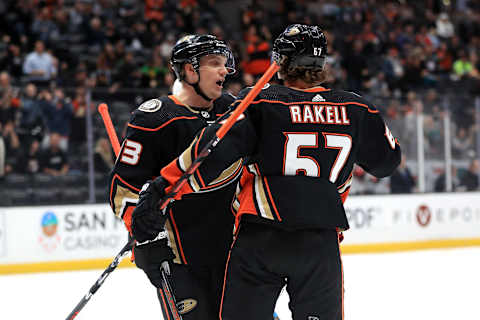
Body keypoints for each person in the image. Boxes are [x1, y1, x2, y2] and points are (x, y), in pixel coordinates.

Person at [132, 24, 402, 320]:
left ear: (280, 62)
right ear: (322, 62)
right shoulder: (356, 108)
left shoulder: (261, 100)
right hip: (320, 242)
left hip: (261, 238)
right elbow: (387, 163)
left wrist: (161, 190)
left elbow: (210, 154)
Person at [108, 34, 242, 319]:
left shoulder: (233, 111)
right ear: (190, 70)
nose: (225, 70)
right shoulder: (154, 119)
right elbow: (123, 190)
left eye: (225, 63)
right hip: (179, 258)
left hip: (234, 253)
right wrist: (144, 235)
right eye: (214, 63)